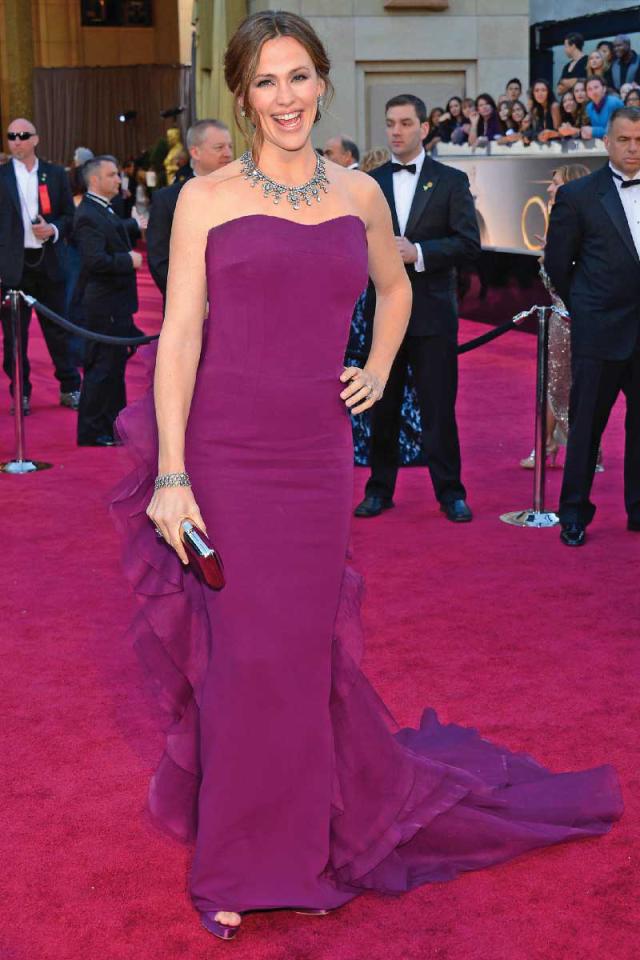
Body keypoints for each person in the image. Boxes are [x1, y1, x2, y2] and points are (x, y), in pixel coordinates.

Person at [111, 10, 622, 941]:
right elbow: (178, 336)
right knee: (244, 660)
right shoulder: (205, 198)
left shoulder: (359, 194)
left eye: (299, 76)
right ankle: (239, 861)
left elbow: (396, 287)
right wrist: (172, 473)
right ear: (242, 96)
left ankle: (302, 845)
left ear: (322, 81)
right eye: (266, 82)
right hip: (225, 453)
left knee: (301, 657)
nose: (286, 97)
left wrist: (380, 368)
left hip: (315, 459)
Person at [354, 92, 479, 522]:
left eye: (405, 123)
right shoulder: (369, 183)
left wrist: (419, 252)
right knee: (381, 406)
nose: (396, 131)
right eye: (390, 123)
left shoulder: (451, 181)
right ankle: (379, 489)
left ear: (424, 128)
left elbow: (469, 243)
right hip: (382, 315)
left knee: (438, 408)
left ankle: (451, 493)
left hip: (432, 314)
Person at [545, 107, 640, 546]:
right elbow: (558, 264)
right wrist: (586, 309)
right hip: (599, 331)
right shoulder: (579, 195)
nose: (633, 148)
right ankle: (573, 514)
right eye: (624, 139)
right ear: (607, 142)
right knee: (586, 427)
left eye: (639, 140)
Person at [0, 118, 81, 414]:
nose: (17, 140)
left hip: (49, 263)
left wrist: (54, 229)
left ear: (35, 139)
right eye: (12, 136)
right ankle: (20, 393)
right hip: (13, 267)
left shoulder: (55, 174)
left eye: (23, 135)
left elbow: (69, 217)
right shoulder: (2, 176)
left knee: (58, 331)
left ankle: (69, 387)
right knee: (14, 337)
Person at [519, 163, 594, 471]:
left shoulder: (584, 223)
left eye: (556, 182)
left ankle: (558, 446)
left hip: (573, 318)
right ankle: (550, 443)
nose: (549, 188)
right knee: (556, 384)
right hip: (560, 318)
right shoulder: (560, 221)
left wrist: (552, 258)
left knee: (564, 385)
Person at [74, 156, 142, 446]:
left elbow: (113, 232)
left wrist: (133, 227)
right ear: (94, 180)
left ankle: (113, 424)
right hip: (103, 304)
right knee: (102, 367)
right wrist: (128, 260)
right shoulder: (88, 214)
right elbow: (95, 260)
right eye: (112, 175)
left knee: (114, 367)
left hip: (115, 302)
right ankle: (93, 430)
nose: (118, 179)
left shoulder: (102, 208)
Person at [147, 120, 233, 300]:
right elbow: (160, 261)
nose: (228, 154)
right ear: (195, 152)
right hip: (190, 308)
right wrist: (193, 303)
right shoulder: (168, 199)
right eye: (219, 147)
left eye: (230, 147)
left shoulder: (244, 192)